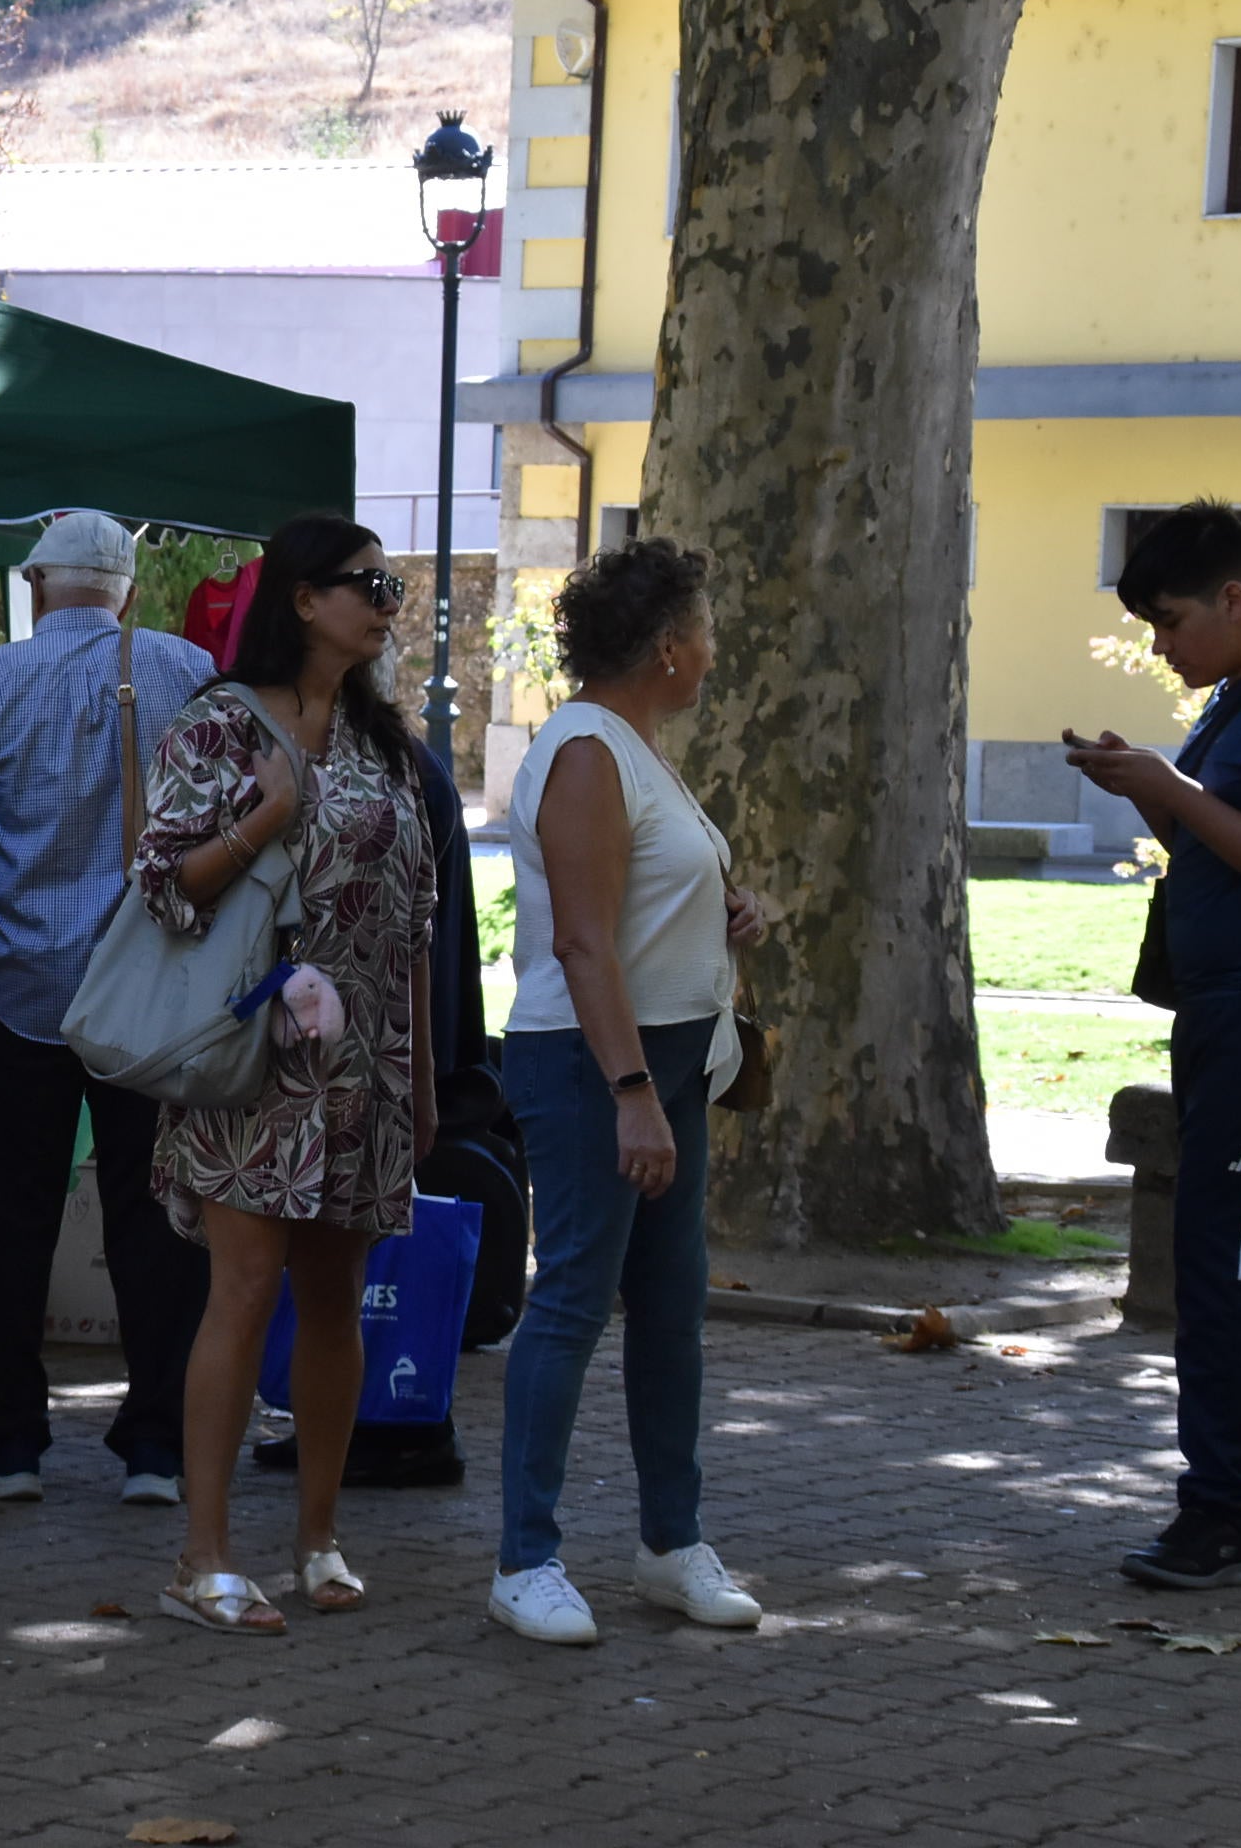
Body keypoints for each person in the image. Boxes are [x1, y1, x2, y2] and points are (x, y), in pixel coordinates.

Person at [134, 515, 436, 1635]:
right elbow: (164, 882)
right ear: (303, 599)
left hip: (364, 1065)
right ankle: (201, 1556)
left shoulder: (382, 742)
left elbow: (415, 917)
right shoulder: (219, 723)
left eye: (395, 587)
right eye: (370, 585)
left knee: (334, 1298)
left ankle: (317, 1536)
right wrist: (268, 812)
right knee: (245, 1287)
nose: (389, 604)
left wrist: (421, 1069)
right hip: (250, 1054)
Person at [489, 536, 768, 1646]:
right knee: (570, 1299)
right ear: (666, 647)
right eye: (705, 631)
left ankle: (670, 1542)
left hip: (667, 1063)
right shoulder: (586, 751)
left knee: (669, 1308)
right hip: (594, 1063)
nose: (713, 650)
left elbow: (643, 899)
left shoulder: (637, 750)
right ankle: (525, 1559)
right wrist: (630, 1092)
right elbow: (582, 941)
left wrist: (729, 911)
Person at [0, 511, 214, 1506]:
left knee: (8, 1218)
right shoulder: (189, 671)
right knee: (159, 1220)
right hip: (152, 994)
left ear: (38, 584)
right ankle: (157, 1446)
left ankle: (9, 1442)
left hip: (17, 990)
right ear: (127, 591)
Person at [1069, 499, 1241, 1590]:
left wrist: (1171, 787)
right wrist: (1150, 787)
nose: (1161, 646)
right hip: (1229, 1009)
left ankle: (1217, 1514)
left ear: (1234, 598)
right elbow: (1225, 844)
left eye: (1170, 622)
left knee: (1230, 1255)